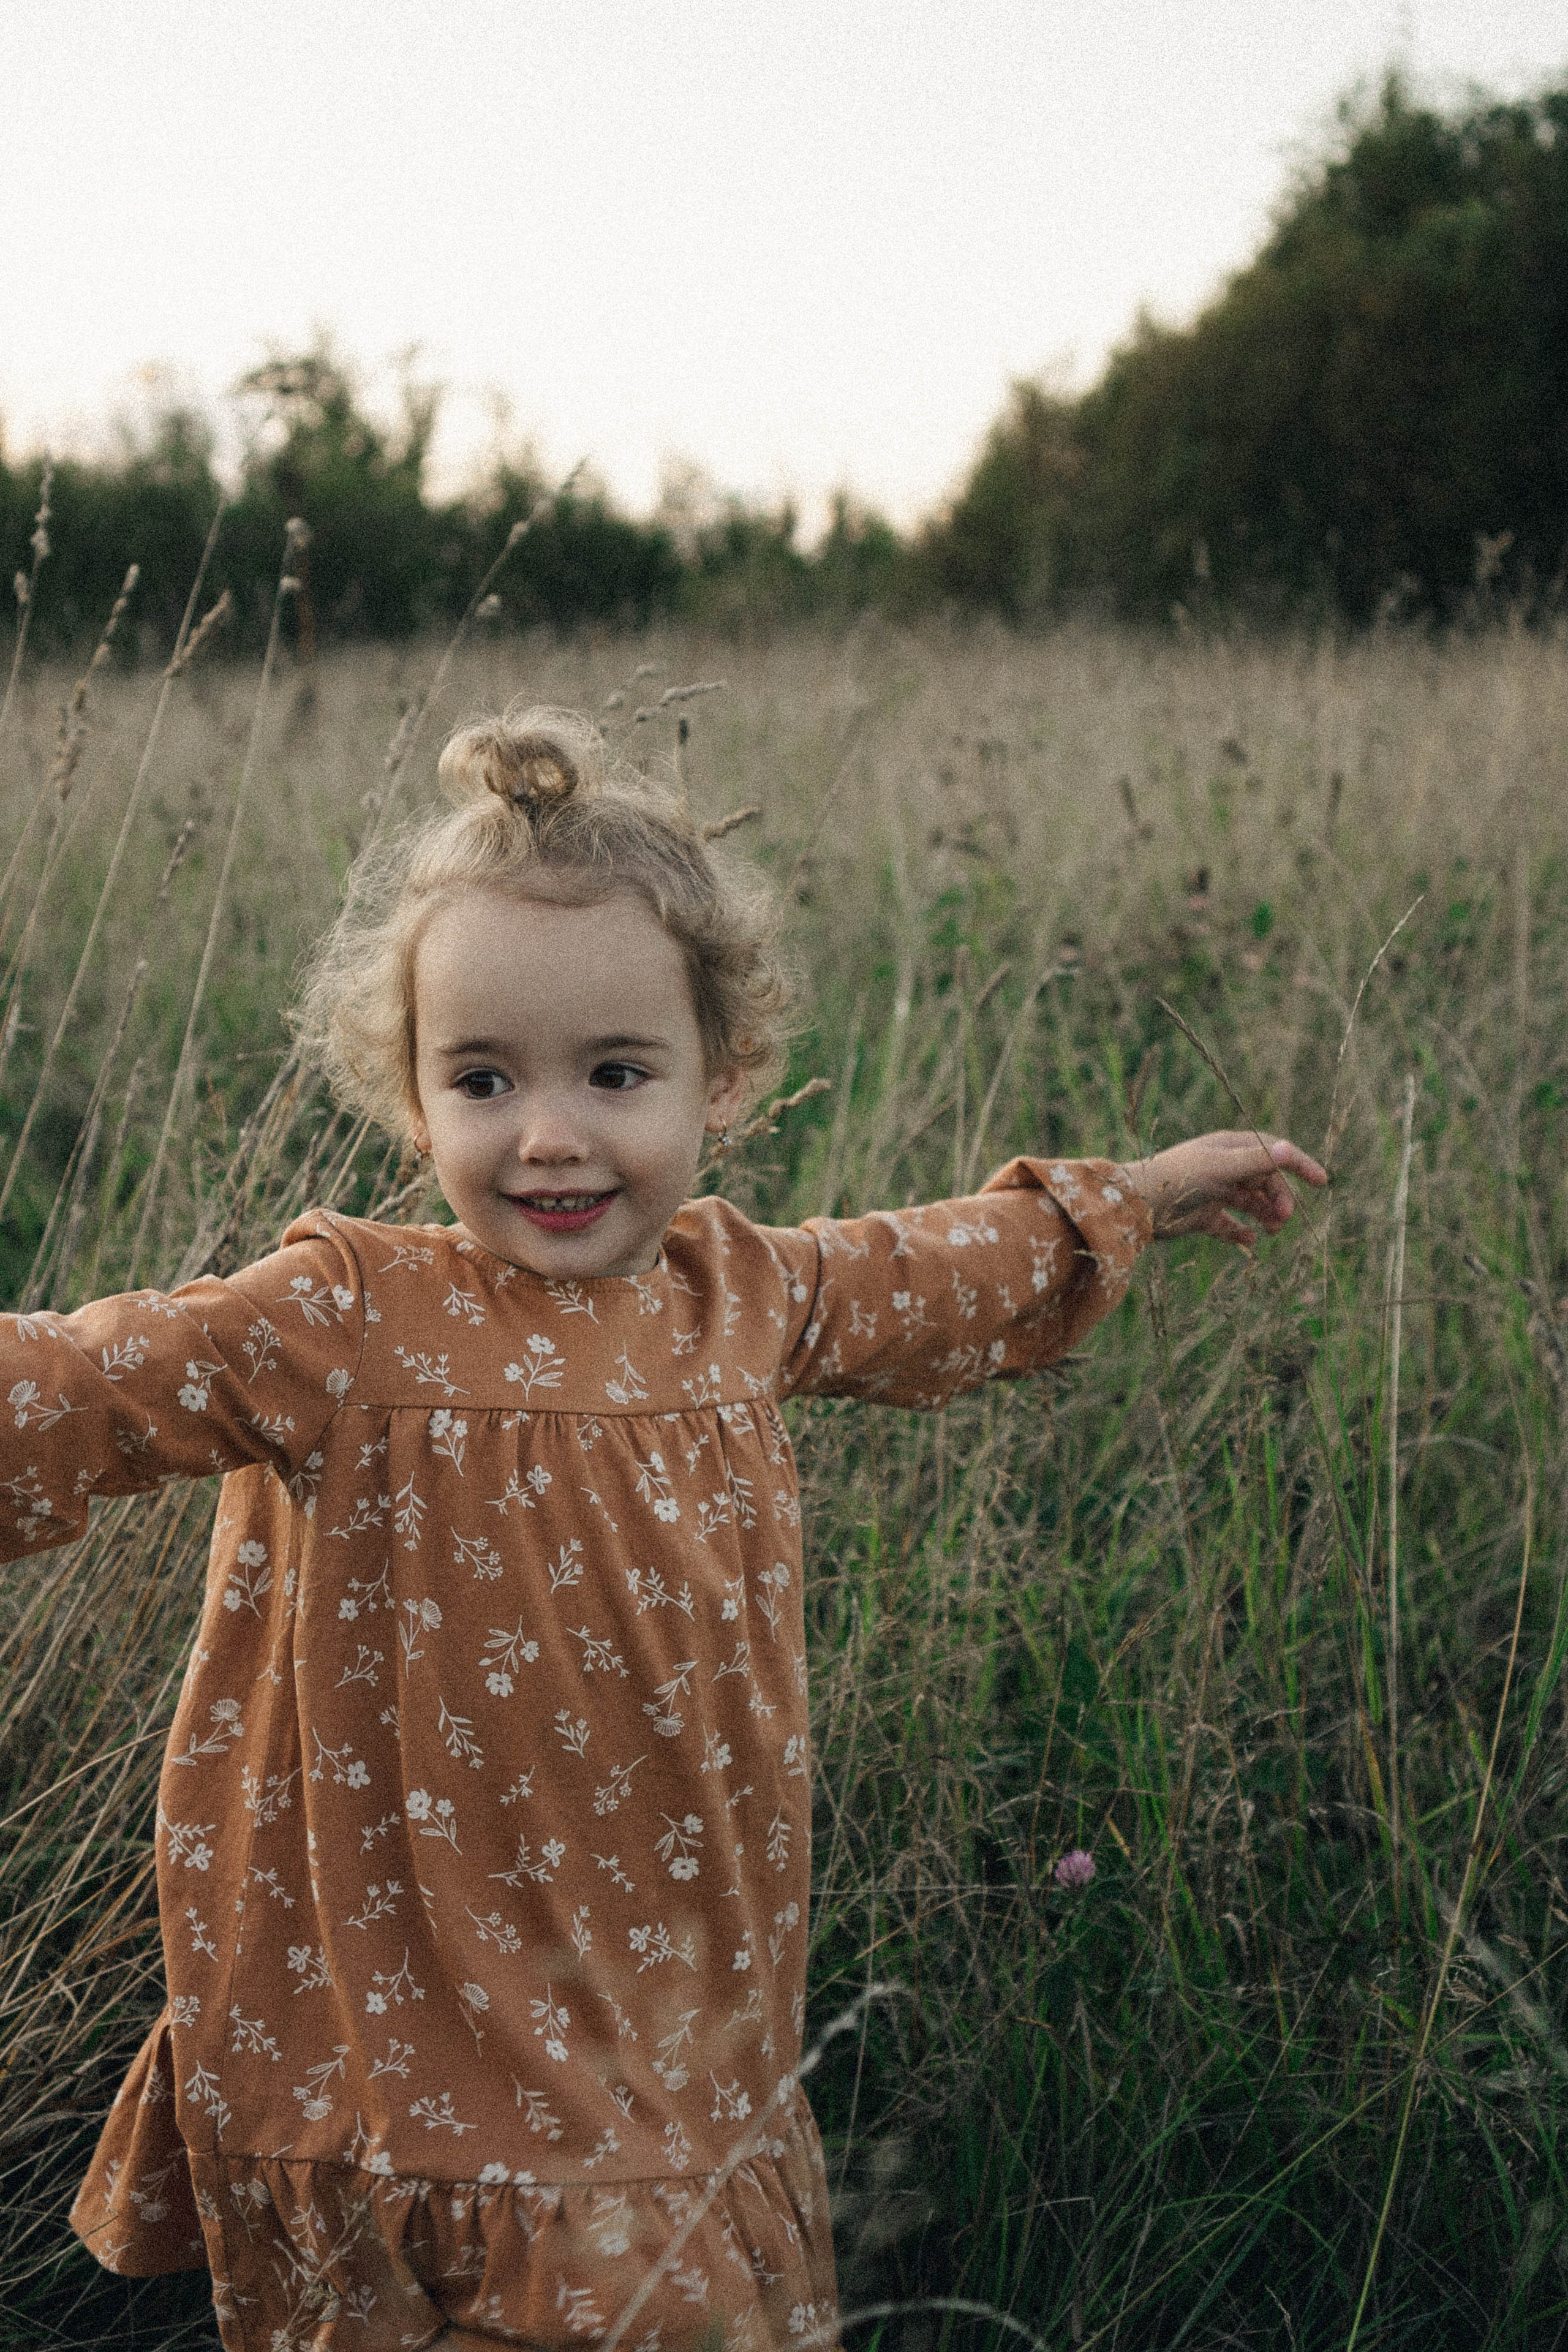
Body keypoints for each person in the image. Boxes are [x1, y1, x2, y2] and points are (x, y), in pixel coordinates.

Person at [2, 707, 1325, 2351]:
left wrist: (1134, 1196)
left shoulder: (741, 1292)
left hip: (663, 2010)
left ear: (725, 1075)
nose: (550, 1133)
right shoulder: (345, 1317)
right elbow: (95, 1379)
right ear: (411, 1098)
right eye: (483, 1079)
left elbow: (937, 1272)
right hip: (401, 2023)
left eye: (615, 1075)